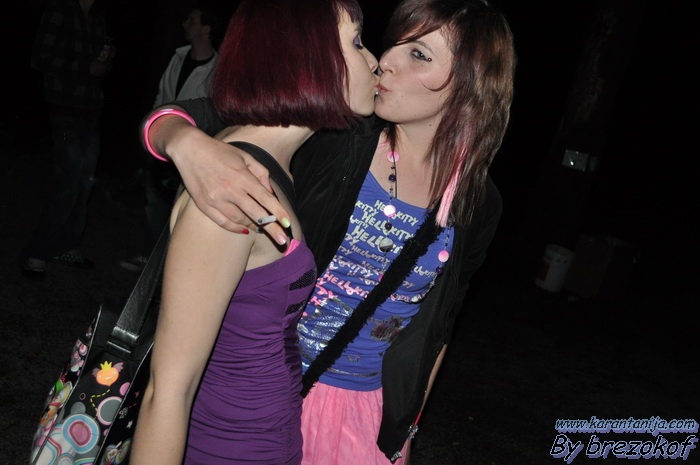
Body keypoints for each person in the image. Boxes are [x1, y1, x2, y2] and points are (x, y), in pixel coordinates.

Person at [141, 0, 515, 463]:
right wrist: (182, 141)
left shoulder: (479, 202)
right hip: (272, 390)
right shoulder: (338, 134)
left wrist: (405, 429)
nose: (386, 61)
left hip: (366, 413)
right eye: (394, 44)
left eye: (419, 54)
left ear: (471, 84)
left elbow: (438, 326)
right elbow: (191, 112)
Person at [130, 0, 378, 464]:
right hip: (226, 446)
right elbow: (168, 393)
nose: (374, 60)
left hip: (264, 438)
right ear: (305, 55)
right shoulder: (231, 189)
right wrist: (175, 136)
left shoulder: (275, 163)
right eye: (357, 42)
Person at [119, 2, 224, 272]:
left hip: (194, 155)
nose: (185, 24)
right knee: (154, 202)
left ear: (207, 29)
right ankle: (150, 260)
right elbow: (162, 97)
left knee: (184, 209)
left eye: (193, 20)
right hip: (162, 146)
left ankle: (176, 267)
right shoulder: (178, 57)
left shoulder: (219, 70)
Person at [20, 0, 116, 280]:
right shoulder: (60, 10)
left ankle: (67, 245)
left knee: (85, 184)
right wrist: (86, 66)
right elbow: (40, 58)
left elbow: (99, 69)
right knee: (69, 184)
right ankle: (36, 252)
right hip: (65, 108)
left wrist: (106, 62)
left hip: (91, 109)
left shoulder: (97, 19)